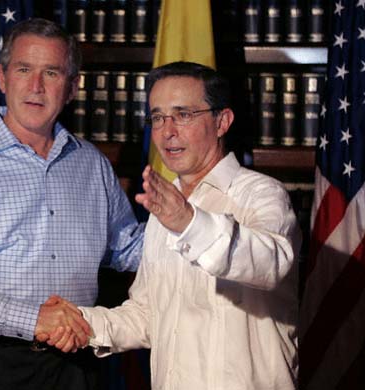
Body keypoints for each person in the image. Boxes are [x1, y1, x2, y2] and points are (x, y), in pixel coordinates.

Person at [0, 18, 144, 390]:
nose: (36, 86)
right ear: (2, 77)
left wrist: (205, 226)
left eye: (51, 72)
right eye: (23, 69)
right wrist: (31, 318)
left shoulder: (92, 164)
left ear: (72, 87)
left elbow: (129, 248)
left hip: (75, 368)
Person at [41, 61, 301, 389]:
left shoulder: (261, 193)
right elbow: (148, 316)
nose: (167, 131)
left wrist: (189, 223)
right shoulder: (165, 206)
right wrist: (81, 322)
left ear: (222, 121)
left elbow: (270, 263)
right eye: (158, 117)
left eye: (183, 115)